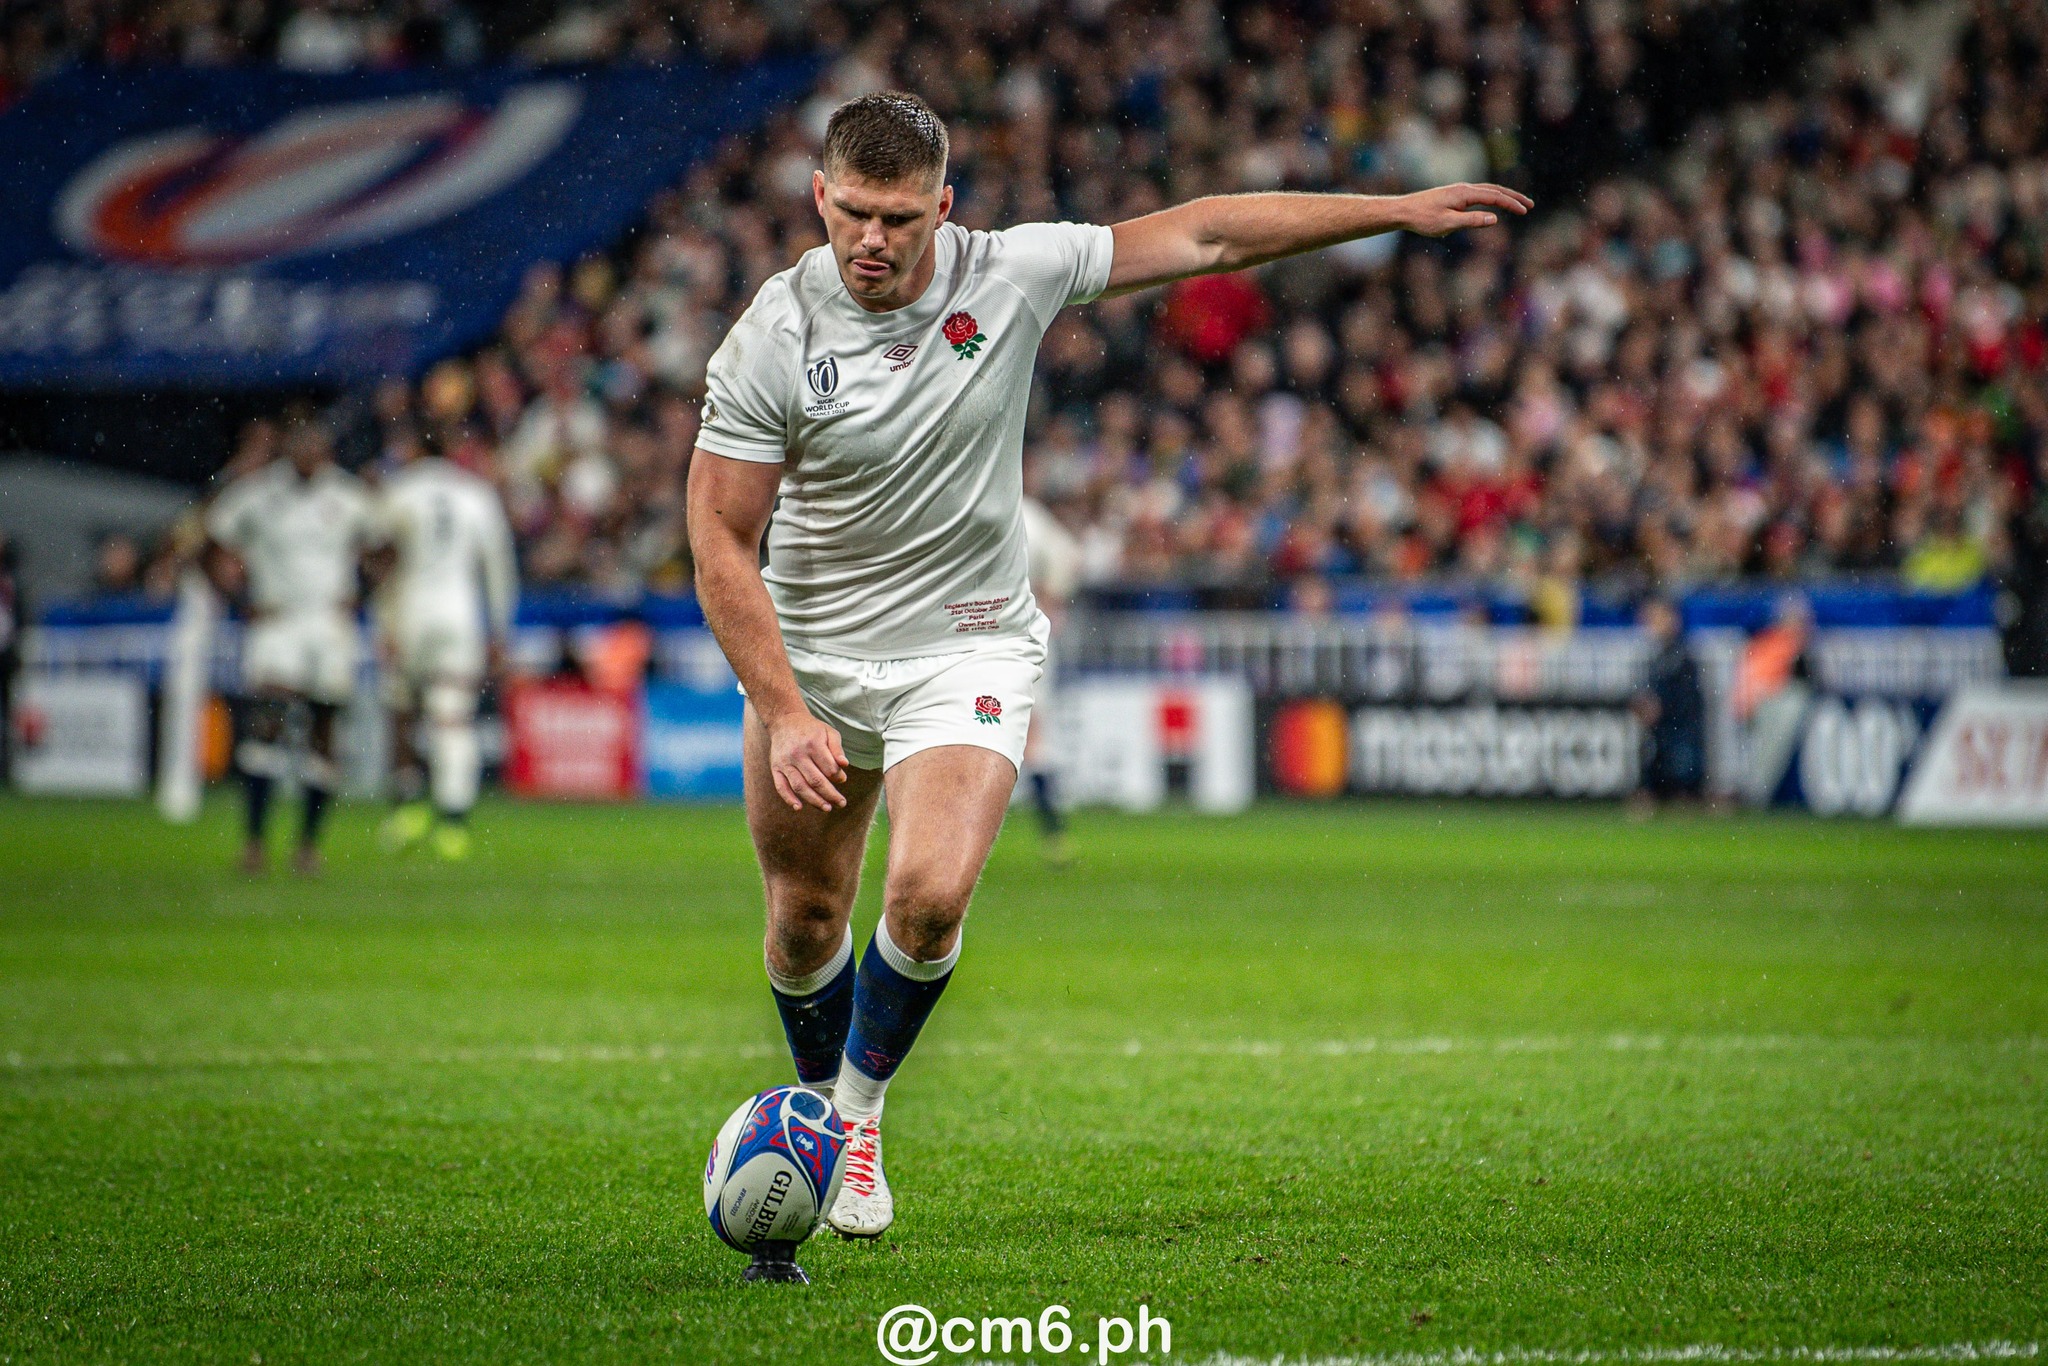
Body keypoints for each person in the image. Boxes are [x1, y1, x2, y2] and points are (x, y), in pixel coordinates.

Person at [686, 90, 1528, 1253]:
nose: (870, 242)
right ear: (817, 198)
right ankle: (824, 1107)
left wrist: (1388, 210)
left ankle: (853, 1117)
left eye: (897, 218)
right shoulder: (771, 336)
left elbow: (1208, 234)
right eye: (851, 216)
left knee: (925, 901)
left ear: (943, 206)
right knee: (800, 923)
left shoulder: (1012, 271)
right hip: (815, 655)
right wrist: (782, 708)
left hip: (964, 642)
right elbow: (720, 540)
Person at [205, 419, 379, 876]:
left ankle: (307, 846)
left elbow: (383, 546)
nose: (308, 452)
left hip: (327, 624)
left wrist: (363, 591)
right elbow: (214, 539)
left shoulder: (347, 496)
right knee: (268, 721)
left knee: (324, 727)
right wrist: (238, 599)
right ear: (288, 448)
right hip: (277, 621)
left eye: (316, 443)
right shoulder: (259, 495)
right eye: (300, 443)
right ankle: (255, 843)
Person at [374, 433, 517, 861]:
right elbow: (498, 566)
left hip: (410, 611)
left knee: (402, 708)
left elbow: (383, 561)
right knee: (453, 715)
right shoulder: (476, 495)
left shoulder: (399, 491)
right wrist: (499, 628)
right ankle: (453, 823)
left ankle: (409, 805)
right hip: (459, 615)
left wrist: (384, 622)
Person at [1630, 597, 1705, 812]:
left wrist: (1661, 706)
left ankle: (1683, 797)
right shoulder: (1658, 654)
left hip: (1678, 728)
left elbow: (1686, 700)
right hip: (1665, 729)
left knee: (1680, 766)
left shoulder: (1680, 655)